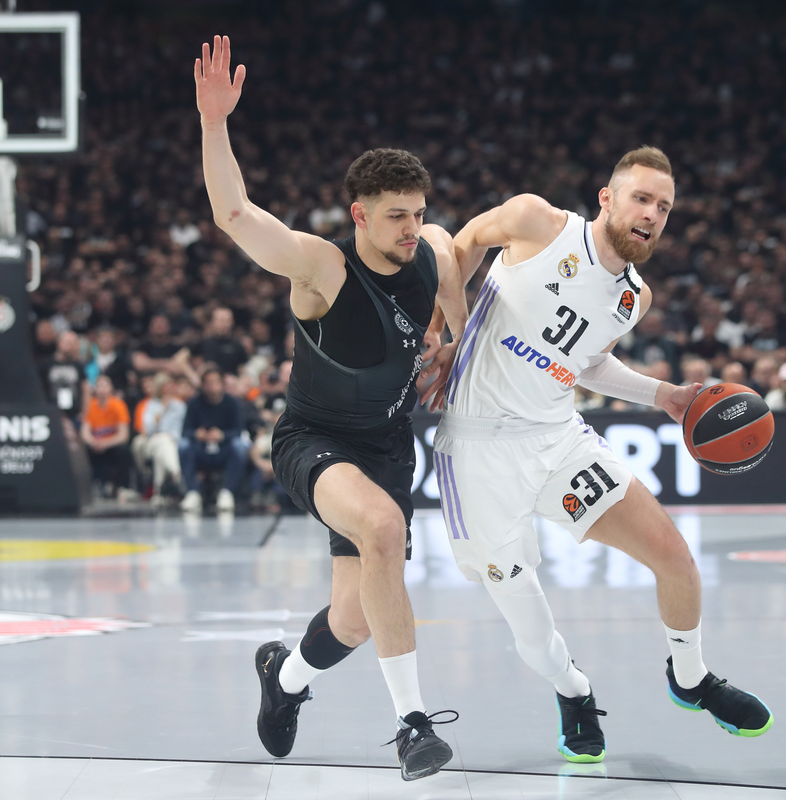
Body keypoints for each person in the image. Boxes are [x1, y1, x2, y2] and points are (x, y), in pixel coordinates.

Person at [422, 147, 772, 764]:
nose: (653, 214)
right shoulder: (537, 222)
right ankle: (573, 689)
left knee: (675, 557)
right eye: (642, 198)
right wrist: (458, 335)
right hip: (478, 451)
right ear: (607, 199)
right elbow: (458, 247)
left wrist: (660, 393)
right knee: (531, 630)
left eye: (664, 207)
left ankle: (690, 678)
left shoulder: (635, 297)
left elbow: (584, 360)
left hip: (558, 438)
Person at [196, 36, 467, 781]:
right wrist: (215, 122)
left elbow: (453, 290)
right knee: (381, 529)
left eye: (417, 213)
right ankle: (412, 725)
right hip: (312, 439)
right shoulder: (320, 267)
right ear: (358, 214)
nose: (411, 228)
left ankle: (283, 679)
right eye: (394, 217)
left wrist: (448, 344)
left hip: (386, 446)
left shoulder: (431, 250)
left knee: (353, 617)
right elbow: (234, 213)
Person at [178, 368, 247, 512]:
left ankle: (227, 492)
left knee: (240, 446)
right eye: (208, 383)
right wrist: (197, 434)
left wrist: (222, 435)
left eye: (215, 382)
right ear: (202, 385)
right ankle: (193, 492)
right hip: (200, 448)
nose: (212, 387)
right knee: (183, 445)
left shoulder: (232, 403)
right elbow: (185, 431)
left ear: (222, 384)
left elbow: (238, 430)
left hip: (223, 448)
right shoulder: (194, 403)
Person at [134, 372, 186, 499]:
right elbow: (148, 430)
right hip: (153, 440)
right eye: (165, 386)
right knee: (162, 441)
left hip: (173, 442)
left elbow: (182, 430)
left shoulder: (180, 406)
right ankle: (177, 475)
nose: (168, 388)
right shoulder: (151, 405)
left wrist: (169, 436)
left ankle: (158, 491)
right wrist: (162, 409)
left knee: (162, 449)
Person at [80, 375, 132, 496]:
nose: (102, 389)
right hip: (96, 445)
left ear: (111, 388)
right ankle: (93, 485)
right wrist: (93, 442)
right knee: (83, 449)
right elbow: (84, 432)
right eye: (99, 386)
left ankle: (123, 487)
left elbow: (123, 435)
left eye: (105, 385)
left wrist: (105, 443)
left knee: (123, 449)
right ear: (95, 389)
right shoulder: (91, 405)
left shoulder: (118, 405)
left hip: (112, 445)